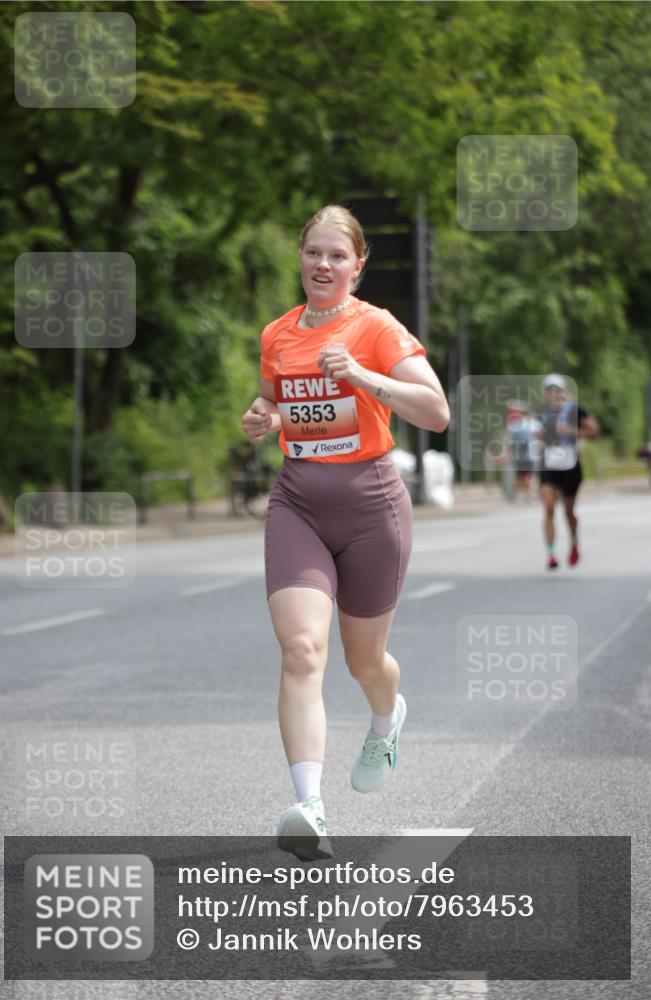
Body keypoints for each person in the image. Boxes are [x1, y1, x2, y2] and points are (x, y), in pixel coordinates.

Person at [241, 205, 450, 861]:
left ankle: (386, 720)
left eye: (337, 256)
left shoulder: (376, 327)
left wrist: (361, 376)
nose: (323, 265)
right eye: (313, 253)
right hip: (297, 500)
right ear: (299, 259)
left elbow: (436, 412)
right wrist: (262, 417)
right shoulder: (277, 333)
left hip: (370, 507)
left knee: (365, 662)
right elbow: (275, 399)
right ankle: (309, 806)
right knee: (302, 649)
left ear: (357, 266)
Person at [537, 373, 598, 570]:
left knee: (568, 512)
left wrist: (571, 431)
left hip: (570, 465)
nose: (553, 393)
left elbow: (594, 432)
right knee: (549, 508)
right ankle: (551, 554)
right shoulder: (543, 412)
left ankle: (573, 543)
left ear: (563, 391)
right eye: (549, 390)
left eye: (557, 389)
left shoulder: (576, 410)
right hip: (548, 463)